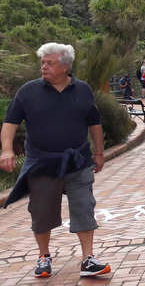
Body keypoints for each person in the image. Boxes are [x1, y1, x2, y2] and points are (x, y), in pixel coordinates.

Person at [0, 43, 111, 278]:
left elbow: (94, 123)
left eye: (49, 63)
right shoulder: (28, 91)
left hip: (77, 161)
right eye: (42, 63)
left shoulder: (83, 90)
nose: (44, 67)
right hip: (42, 162)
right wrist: (7, 150)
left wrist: (98, 153)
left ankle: (88, 259)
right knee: (41, 212)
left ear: (65, 66)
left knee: (84, 205)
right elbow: (10, 122)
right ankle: (44, 256)